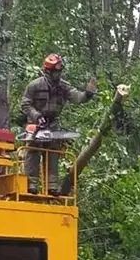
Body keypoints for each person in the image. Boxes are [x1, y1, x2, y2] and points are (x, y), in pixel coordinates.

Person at [20, 54, 96, 194]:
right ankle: (31, 184)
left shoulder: (63, 86)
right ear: (48, 71)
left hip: (52, 124)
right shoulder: (35, 85)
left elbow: (77, 97)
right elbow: (25, 104)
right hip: (36, 123)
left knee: (53, 152)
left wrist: (88, 94)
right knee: (33, 151)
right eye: (56, 71)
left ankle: (52, 185)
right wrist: (36, 116)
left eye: (60, 71)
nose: (58, 74)